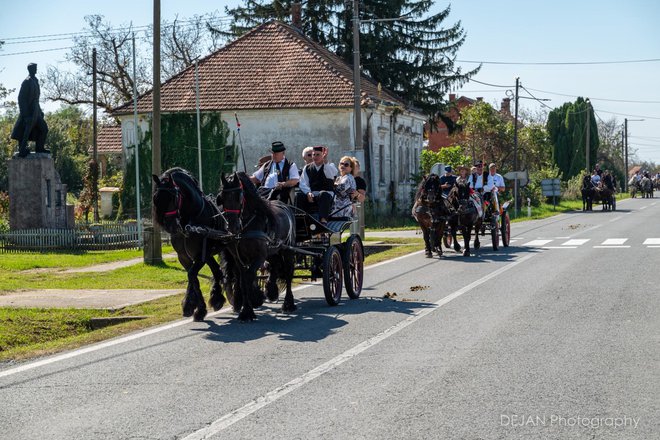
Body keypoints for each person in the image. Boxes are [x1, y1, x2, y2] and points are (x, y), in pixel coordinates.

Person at [11, 63, 49, 157]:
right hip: (29, 111)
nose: (36, 70)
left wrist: (39, 111)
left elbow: (36, 98)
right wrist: (26, 115)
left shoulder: (35, 80)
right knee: (25, 132)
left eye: (36, 68)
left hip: (36, 110)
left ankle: (39, 147)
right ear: (30, 69)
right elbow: (21, 98)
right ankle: (22, 149)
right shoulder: (26, 81)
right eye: (35, 68)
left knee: (44, 128)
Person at [297, 145, 338, 223]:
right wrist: (308, 193)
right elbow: (303, 183)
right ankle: (301, 221)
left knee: (323, 194)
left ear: (323, 155)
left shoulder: (330, 166)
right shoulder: (307, 168)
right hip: (313, 195)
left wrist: (325, 161)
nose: (315, 157)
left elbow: (330, 176)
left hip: (327, 195)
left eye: (318, 154)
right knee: (300, 196)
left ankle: (323, 220)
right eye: (313, 154)